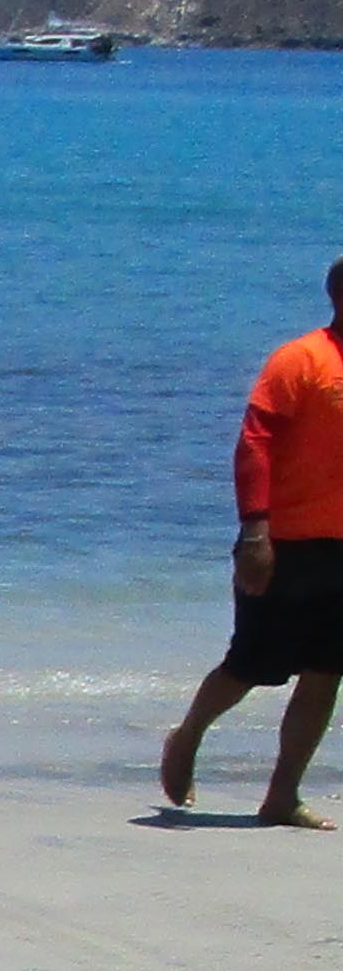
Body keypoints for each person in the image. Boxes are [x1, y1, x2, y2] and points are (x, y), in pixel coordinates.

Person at [160, 259, 343, 828]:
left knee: (327, 669)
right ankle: (188, 735)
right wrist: (255, 531)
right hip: (285, 541)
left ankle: (282, 796)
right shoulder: (301, 360)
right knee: (251, 665)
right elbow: (254, 444)